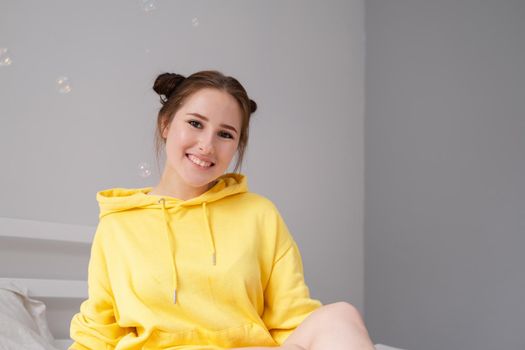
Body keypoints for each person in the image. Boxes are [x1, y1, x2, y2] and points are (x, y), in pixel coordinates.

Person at [69, 70, 375, 350]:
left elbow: (292, 318)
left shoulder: (260, 214)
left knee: (340, 315)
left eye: (225, 134)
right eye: (195, 123)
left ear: (237, 146)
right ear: (165, 124)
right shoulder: (118, 225)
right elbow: (98, 332)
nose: (207, 145)